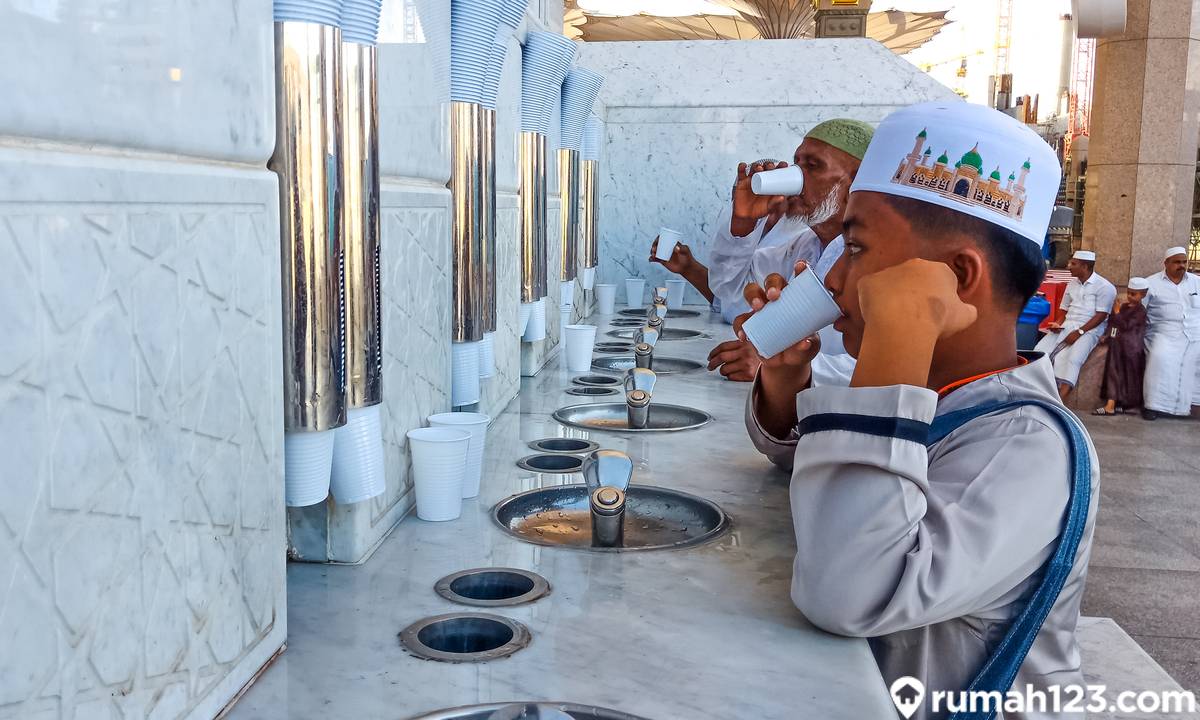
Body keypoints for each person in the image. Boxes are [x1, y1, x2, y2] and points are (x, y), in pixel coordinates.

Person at [741, 101, 1099, 720]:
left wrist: (900, 330)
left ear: (957, 278)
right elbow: (812, 465)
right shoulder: (941, 393)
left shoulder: (1026, 444)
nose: (833, 285)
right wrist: (786, 377)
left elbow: (848, 588)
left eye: (855, 249)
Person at [704, 120, 874, 383]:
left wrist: (781, 365)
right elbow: (729, 289)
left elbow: (892, 365)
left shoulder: (881, 257)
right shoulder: (804, 246)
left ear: (856, 182)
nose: (797, 177)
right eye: (796, 164)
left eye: (812, 166)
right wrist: (743, 225)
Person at [1034, 249, 1117, 401]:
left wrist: (1079, 332)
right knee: (1040, 350)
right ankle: (1041, 393)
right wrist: (1057, 323)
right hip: (1067, 324)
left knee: (1073, 359)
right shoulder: (1072, 283)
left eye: (1073, 263)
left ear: (1085, 267)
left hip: (1090, 329)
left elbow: (1101, 315)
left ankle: (1059, 402)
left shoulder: (1105, 287)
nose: (1068, 266)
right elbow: (1064, 309)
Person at [1142, 246, 1200, 420]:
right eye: (1177, 262)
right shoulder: (1150, 283)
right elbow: (1138, 310)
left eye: (1184, 262)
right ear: (1166, 263)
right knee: (1160, 356)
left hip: (1195, 331)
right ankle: (1153, 406)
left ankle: (1194, 403)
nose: (1181, 265)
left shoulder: (1196, 281)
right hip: (1163, 331)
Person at [1095, 278, 1149, 416]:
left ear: (1143, 294)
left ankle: (1122, 404)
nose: (1130, 296)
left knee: (1127, 377)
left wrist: (1118, 312)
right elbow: (1114, 324)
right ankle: (1112, 404)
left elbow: (1125, 326)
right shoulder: (1124, 307)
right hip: (1117, 345)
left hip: (1131, 348)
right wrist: (1107, 335)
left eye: (1134, 294)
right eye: (1129, 293)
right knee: (1114, 374)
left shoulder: (1140, 311)